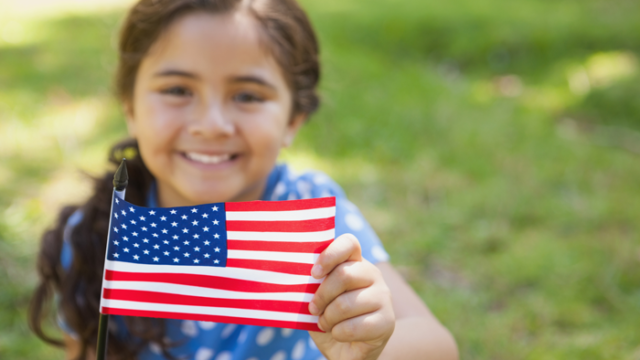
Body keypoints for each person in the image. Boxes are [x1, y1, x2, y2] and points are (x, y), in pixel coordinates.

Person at [29, 0, 458, 359]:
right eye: (178, 89)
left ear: (294, 119)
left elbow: (438, 346)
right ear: (130, 107)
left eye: (247, 96)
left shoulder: (312, 218)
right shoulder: (98, 235)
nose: (211, 124)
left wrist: (375, 344)